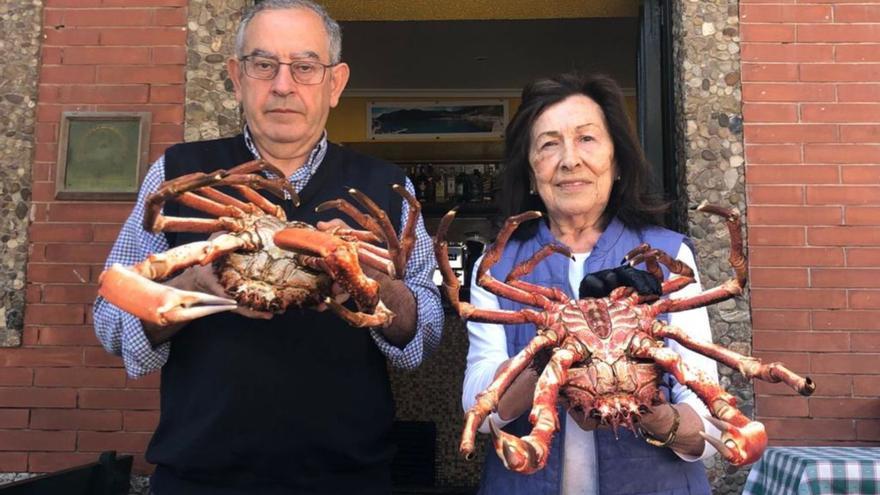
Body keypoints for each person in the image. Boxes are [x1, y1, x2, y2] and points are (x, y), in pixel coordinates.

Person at [93, 1, 442, 494]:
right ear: (237, 78)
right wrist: (192, 285)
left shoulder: (386, 188)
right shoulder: (179, 176)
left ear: (335, 83)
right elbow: (110, 319)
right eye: (263, 66)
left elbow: (424, 333)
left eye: (304, 67)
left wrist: (371, 286)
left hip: (348, 479)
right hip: (200, 477)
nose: (283, 85)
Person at [461, 73, 720, 494]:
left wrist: (654, 411)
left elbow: (707, 420)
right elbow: (480, 408)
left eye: (587, 139)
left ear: (617, 160)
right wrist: (545, 360)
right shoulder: (497, 266)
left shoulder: (669, 257)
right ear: (529, 170)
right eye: (548, 144)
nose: (569, 160)